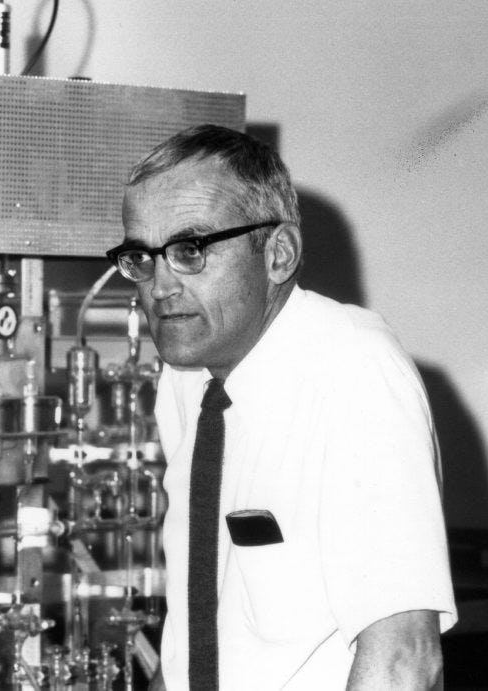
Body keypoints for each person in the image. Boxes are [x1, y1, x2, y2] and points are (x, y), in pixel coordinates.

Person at [106, 124, 457, 689]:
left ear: (278, 254)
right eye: (140, 257)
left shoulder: (353, 368)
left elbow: (403, 660)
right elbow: (203, 626)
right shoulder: (186, 379)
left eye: (190, 251)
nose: (159, 285)